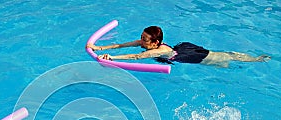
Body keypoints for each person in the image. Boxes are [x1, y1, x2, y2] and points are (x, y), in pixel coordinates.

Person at [87, 25, 270, 67]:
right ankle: (253, 58)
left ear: (155, 43)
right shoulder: (147, 43)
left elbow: (136, 57)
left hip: (187, 56)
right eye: (141, 38)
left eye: (144, 39)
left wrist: (111, 59)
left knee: (222, 58)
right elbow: (121, 44)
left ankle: (256, 59)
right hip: (181, 48)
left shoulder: (158, 50)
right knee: (222, 58)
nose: (140, 41)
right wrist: (99, 48)